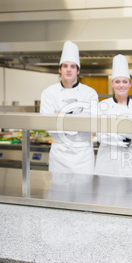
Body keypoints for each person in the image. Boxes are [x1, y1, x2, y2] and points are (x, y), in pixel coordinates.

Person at [40, 40, 98, 174]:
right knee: (57, 193)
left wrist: (59, 114)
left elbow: (90, 123)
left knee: (84, 193)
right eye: (65, 66)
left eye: (72, 66)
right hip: (59, 154)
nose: (68, 69)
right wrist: (78, 115)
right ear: (60, 69)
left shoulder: (90, 93)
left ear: (78, 70)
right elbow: (48, 125)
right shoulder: (48, 93)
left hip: (83, 155)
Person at [94, 54, 132, 177]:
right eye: (117, 81)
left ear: (130, 84)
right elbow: (101, 136)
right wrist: (125, 135)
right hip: (106, 161)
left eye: (124, 81)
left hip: (128, 161)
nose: (121, 85)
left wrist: (112, 131)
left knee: (130, 194)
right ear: (112, 83)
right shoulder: (102, 105)